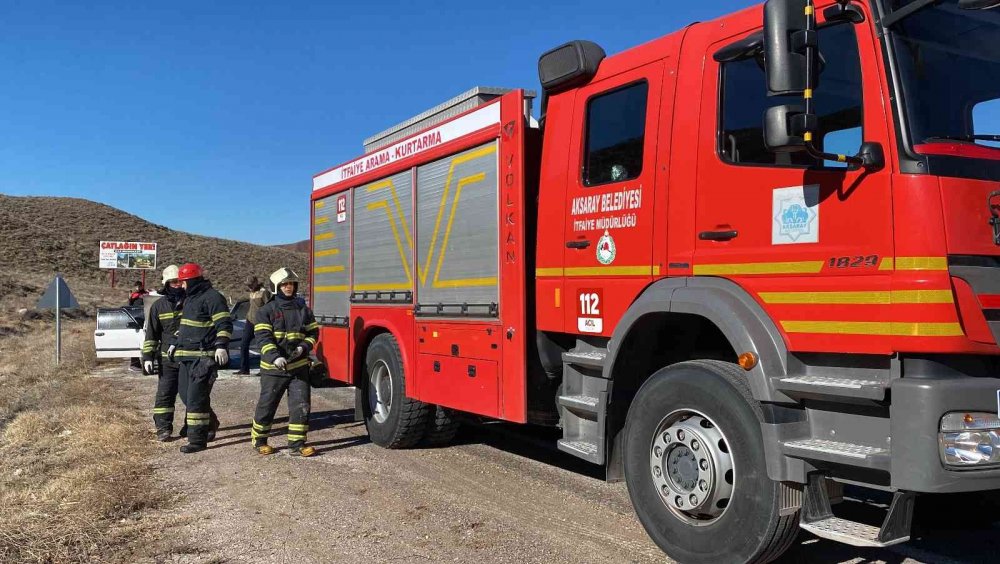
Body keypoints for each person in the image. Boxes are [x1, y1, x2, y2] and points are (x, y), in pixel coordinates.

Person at [250, 267, 319, 457]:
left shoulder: (303, 309)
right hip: (274, 368)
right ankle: (259, 440)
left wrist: (303, 348)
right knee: (267, 404)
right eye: (285, 284)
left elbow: (313, 333)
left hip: (298, 368)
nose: (289, 287)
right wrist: (275, 356)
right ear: (276, 287)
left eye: (291, 284)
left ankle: (297, 445)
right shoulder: (266, 311)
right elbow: (263, 337)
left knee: (301, 405)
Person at [169, 263, 232, 454]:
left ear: (193, 281)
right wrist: (175, 342)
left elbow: (224, 324)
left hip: (204, 358)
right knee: (186, 396)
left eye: (184, 282)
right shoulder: (190, 299)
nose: (181, 286)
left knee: (196, 400)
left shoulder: (213, 297)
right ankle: (211, 423)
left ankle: (197, 440)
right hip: (186, 356)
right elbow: (186, 326)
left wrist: (221, 346)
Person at [142, 265, 186, 441]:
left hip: (190, 358)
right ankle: (163, 427)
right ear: (166, 284)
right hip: (167, 361)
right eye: (173, 282)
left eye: (180, 281)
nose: (177, 284)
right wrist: (147, 357)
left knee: (191, 395)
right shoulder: (158, 306)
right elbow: (151, 334)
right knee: (165, 394)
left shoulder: (192, 303)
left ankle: (194, 426)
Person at [235, 275, 271, 376]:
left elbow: (269, 307)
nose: (249, 287)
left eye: (251, 285)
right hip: (250, 321)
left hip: (261, 322)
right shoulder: (251, 293)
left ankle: (264, 369)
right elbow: (241, 298)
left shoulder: (264, 292)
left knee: (262, 346)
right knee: (243, 345)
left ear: (255, 283)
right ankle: (244, 369)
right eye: (248, 285)